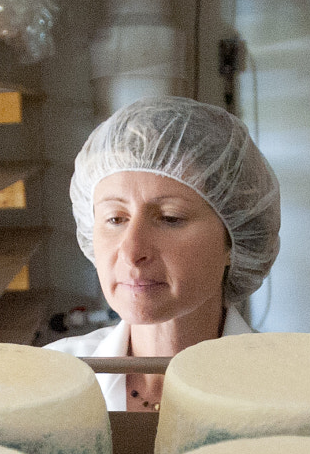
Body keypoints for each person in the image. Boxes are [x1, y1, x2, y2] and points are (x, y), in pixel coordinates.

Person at [46, 95, 281, 411]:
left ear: (235, 238)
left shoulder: (285, 395)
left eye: (170, 218)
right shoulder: (49, 380)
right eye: (115, 219)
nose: (132, 251)